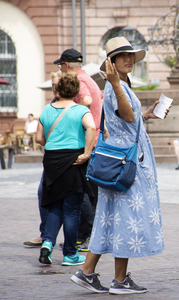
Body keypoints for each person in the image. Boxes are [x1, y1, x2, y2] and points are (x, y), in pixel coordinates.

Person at [70, 37, 166, 294]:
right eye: (122, 55)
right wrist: (118, 88)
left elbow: (129, 120)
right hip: (125, 163)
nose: (129, 59)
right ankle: (119, 280)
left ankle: (87, 271)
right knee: (124, 218)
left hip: (120, 161)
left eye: (131, 55)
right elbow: (127, 115)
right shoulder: (114, 85)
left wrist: (148, 114)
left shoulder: (120, 85)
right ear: (111, 61)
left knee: (109, 217)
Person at [35, 73, 96, 265]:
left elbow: (39, 139)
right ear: (76, 91)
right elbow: (92, 128)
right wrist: (86, 153)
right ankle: (70, 254)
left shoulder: (46, 109)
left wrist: (53, 142)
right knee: (72, 210)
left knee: (55, 206)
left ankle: (47, 243)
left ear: (57, 90)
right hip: (73, 160)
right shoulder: (80, 110)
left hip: (52, 160)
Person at [54, 48, 104, 251]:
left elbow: (88, 100)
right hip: (95, 139)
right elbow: (100, 97)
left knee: (83, 192)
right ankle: (88, 236)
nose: (60, 70)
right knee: (90, 192)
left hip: (85, 141)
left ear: (66, 66)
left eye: (61, 66)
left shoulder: (80, 81)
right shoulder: (90, 79)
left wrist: (69, 114)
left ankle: (86, 237)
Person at [23, 71, 61, 247]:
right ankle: (46, 235)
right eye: (53, 85)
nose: (54, 88)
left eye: (57, 84)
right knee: (43, 193)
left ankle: (77, 239)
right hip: (53, 158)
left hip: (65, 158)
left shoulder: (74, 105)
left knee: (75, 200)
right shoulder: (51, 104)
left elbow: (39, 138)